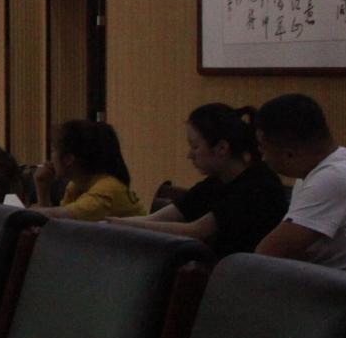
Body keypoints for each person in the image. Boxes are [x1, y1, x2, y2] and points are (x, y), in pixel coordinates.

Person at [253, 93, 346, 281]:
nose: (263, 158)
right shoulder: (319, 173)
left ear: (289, 154)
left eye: (262, 148)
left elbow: (266, 256)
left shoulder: (334, 178)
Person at [113, 104, 288, 258]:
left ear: (222, 148)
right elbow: (155, 219)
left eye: (195, 147)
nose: (190, 155)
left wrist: (118, 225)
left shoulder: (258, 186)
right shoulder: (215, 182)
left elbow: (196, 231)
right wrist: (112, 226)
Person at [33, 118, 143, 221]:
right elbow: (53, 225)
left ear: (68, 159)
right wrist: (42, 188)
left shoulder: (106, 189)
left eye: (53, 150)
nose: (50, 158)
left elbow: (59, 217)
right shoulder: (76, 185)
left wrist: (25, 214)